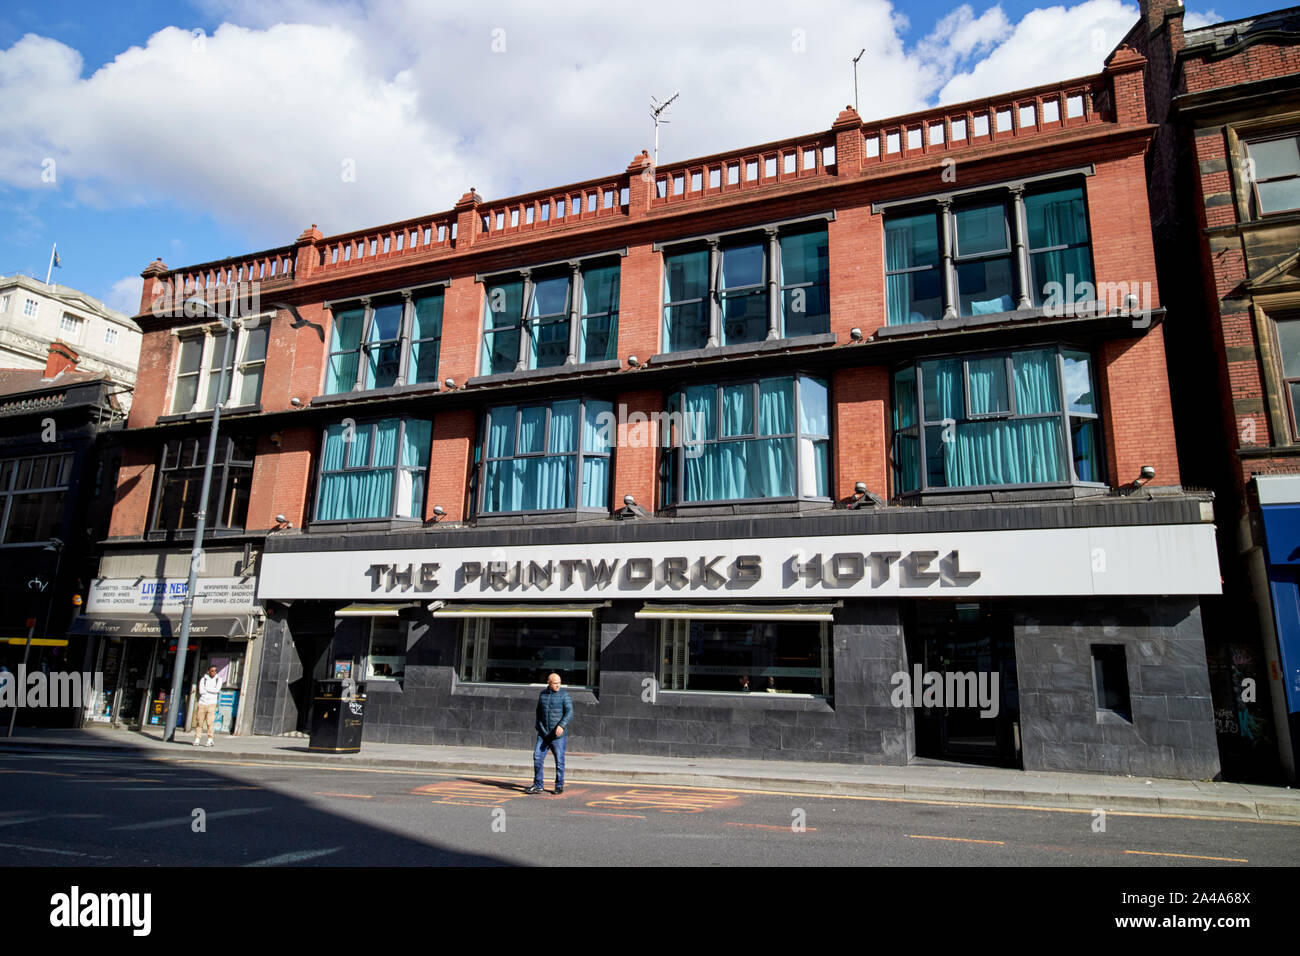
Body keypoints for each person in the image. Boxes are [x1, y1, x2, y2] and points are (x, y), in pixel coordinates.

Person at [525, 672, 572, 794]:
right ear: (549, 683)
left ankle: (559, 786)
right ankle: (538, 785)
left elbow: (569, 712)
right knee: (537, 758)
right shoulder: (543, 694)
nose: (558, 685)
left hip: (557, 736)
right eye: (555, 683)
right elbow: (538, 712)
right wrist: (538, 726)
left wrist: (561, 725)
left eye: (559, 683)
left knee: (559, 761)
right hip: (543, 734)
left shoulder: (564, 695)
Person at [194, 665, 221, 747]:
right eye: (212, 671)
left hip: (212, 703)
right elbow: (201, 691)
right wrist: (211, 690)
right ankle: (197, 738)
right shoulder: (203, 679)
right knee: (199, 722)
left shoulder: (218, 679)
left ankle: (210, 739)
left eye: (215, 671)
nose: (214, 672)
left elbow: (217, 690)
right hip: (202, 702)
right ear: (208, 671)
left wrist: (207, 688)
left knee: (210, 722)